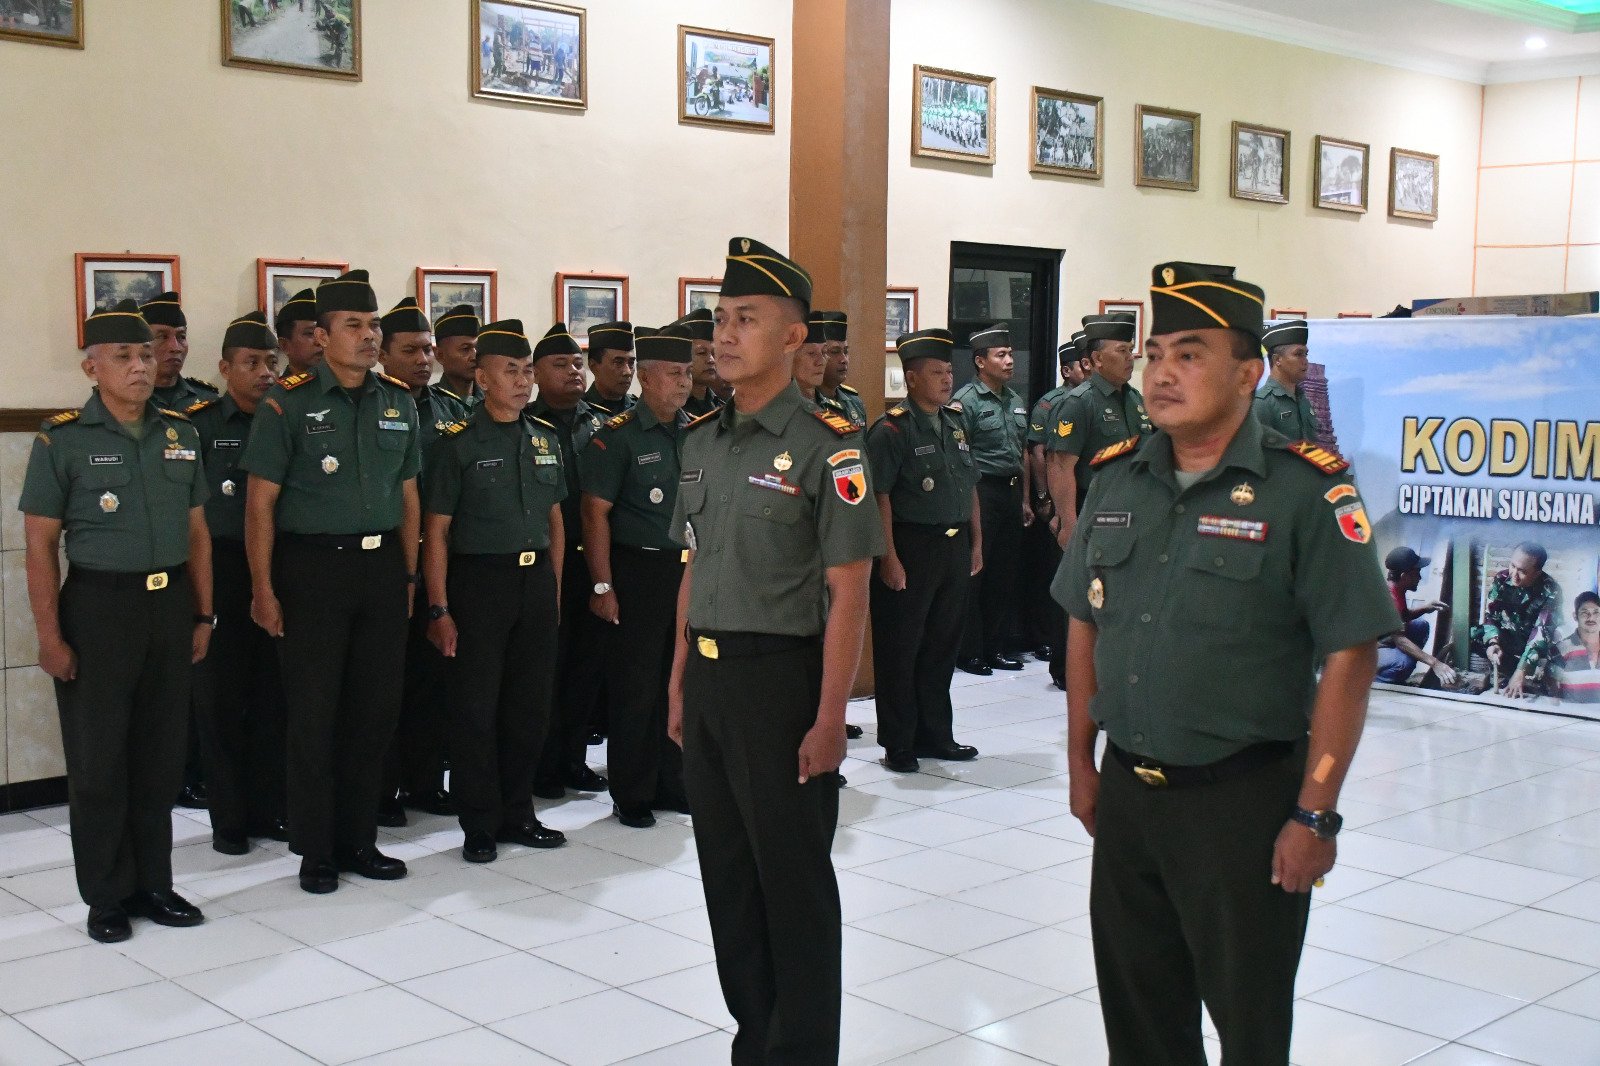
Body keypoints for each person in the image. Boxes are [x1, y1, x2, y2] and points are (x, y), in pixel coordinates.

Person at [1054, 261, 1399, 1066]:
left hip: (1242, 803)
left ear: (1248, 374)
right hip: (1130, 801)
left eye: (1191, 354)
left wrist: (1316, 812)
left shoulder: (1305, 493)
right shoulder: (1116, 480)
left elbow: (1352, 651)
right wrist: (1078, 760)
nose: (1163, 372)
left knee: (1248, 1030)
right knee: (1140, 1025)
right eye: (1156, 353)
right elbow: (1082, 622)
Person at [667, 237, 884, 1064]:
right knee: (728, 882)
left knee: (792, 889)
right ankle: (755, 1041)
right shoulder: (703, 441)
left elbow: (849, 592)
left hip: (782, 684)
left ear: (793, 338)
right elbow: (695, 567)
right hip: (713, 682)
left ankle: (803, 1053)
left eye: (745, 319)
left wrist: (832, 717)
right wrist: (680, 682)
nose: (724, 336)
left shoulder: (833, 445)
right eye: (719, 319)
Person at [20, 300, 213, 943]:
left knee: (160, 756)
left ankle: (155, 883)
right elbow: (41, 545)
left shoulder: (181, 432)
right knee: (100, 760)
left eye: (146, 355)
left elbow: (198, 534)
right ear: (92, 366)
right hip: (100, 608)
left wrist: (204, 613)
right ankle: (106, 896)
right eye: (124, 357)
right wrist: (49, 636)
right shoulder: (63, 439)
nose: (139, 367)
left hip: (169, 605)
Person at [240, 269, 419, 895]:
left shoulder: (398, 401)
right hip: (311, 569)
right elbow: (259, 504)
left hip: (379, 570)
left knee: (373, 713)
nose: (369, 337)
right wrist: (263, 589)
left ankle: (359, 840)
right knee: (315, 714)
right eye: (355, 326)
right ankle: (317, 851)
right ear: (321, 336)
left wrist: (408, 573)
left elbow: (408, 494)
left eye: (374, 326)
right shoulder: (287, 403)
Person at [424, 319, 567, 862]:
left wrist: (554, 591)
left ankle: (519, 812)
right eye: (512, 371)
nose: (523, 381)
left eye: (528, 370)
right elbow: (436, 530)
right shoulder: (456, 445)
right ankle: (479, 823)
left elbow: (555, 519)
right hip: (479, 583)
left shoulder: (543, 438)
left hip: (534, 582)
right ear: (482, 379)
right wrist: (439, 607)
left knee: (528, 707)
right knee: (477, 709)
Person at [580, 325, 695, 828]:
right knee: (637, 686)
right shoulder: (617, 437)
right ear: (645, 378)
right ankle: (632, 791)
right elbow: (593, 514)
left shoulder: (699, 430)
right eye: (674, 374)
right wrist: (603, 585)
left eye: (689, 373)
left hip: (688, 571)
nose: (684, 383)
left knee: (682, 679)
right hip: (638, 569)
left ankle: (675, 781)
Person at [187, 312, 289, 855]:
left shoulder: (287, 416)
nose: (264, 372)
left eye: (272, 361)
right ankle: (229, 817)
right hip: (220, 567)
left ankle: (270, 809)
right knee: (221, 697)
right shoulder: (198, 424)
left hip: (276, 566)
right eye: (251, 362)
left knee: (275, 695)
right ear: (226, 367)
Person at [867, 328, 983, 774]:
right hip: (911, 547)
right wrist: (888, 557)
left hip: (953, 547)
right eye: (937, 372)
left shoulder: (955, 422)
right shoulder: (891, 430)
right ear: (911, 379)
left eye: (949, 371)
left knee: (941, 647)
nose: (946, 379)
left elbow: (969, 485)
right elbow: (880, 497)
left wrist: (977, 542)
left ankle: (936, 735)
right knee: (901, 648)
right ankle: (899, 743)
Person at [375, 298, 465, 824]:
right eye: (409, 350)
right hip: (387, 561)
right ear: (383, 353)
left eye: (428, 349)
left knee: (435, 680)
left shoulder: (452, 412)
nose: (423, 359)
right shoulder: (375, 406)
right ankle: (384, 789)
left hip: (443, 561)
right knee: (385, 683)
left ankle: (427, 782)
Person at [528, 323, 611, 800]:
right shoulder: (526, 421)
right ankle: (540, 764)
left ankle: (574, 760)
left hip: (593, 563)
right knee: (545, 670)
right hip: (544, 561)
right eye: (560, 364)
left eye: (577, 363)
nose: (573, 371)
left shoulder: (601, 423)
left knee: (586, 668)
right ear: (536, 374)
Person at [953, 323, 1031, 675]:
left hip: (1011, 491)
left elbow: (1023, 453)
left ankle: (996, 647)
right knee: (977, 572)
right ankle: (970, 652)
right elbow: (960, 457)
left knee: (1004, 573)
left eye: (1011, 354)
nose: (1010, 360)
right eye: (1001, 355)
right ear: (981, 362)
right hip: (981, 492)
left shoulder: (1015, 400)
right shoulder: (966, 402)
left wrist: (1027, 498)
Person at [1045, 312, 1152, 550]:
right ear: (1097, 358)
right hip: (1094, 510)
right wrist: (1069, 523)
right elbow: (1061, 467)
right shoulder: (1079, 402)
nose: (1130, 358)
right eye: (1122, 350)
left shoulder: (1135, 400)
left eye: (1130, 350)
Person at [1026, 331, 1087, 689]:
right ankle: (1060, 658)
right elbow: (1044, 454)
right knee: (1065, 582)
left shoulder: (1123, 401)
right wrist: (1047, 501)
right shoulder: (1058, 404)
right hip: (1068, 502)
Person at [1471, 542, 1562, 698]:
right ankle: (1509, 672)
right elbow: (1491, 617)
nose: (1514, 574)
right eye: (1513, 566)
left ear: (1537, 573)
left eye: (1522, 571)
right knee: (1473, 634)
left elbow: (1542, 632)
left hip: (1533, 642)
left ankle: (1532, 678)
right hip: (1509, 637)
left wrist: (1522, 670)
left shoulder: (1551, 590)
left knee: (1557, 651)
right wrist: (1493, 642)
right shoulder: (1501, 579)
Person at [1375, 546, 1457, 687]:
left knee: (1421, 625)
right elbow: (1400, 641)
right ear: (1403, 576)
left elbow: (1403, 616)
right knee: (1404, 663)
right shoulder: (1391, 598)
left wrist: (1426, 608)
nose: (1420, 577)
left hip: (1383, 640)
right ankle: (1378, 683)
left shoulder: (1396, 589)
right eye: (1416, 573)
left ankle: (1395, 671)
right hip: (1365, 652)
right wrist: (1435, 663)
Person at [142, 292, 220, 411]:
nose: (175, 347)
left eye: (181, 337)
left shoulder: (207, 399)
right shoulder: (126, 400)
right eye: (162, 337)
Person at [1253, 319, 1322, 441]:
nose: (1305, 361)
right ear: (1277, 360)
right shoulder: (1262, 404)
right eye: (1298, 354)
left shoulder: (1303, 399)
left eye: (1306, 354)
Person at [815, 312, 866, 426]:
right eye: (835, 352)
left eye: (846, 352)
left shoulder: (854, 402)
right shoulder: (807, 403)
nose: (844, 359)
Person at [433, 303, 482, 409]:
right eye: (465, 349)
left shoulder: (495, 400)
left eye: (478, 348)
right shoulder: (427, 403)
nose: (475, 356)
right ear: (440, 355)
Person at [583, 321, 637, 417]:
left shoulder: (640, 410)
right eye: (618, 362)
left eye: (631, 363)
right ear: (593, 366)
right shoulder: (579, 411)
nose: (628, 372)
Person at [677, 308, 722, 418]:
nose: (711, 360)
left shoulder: (722, 407)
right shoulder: (673, 408)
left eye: (713, 353)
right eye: (702, 353)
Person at [1556, 592, 1600, 704]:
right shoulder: (1562, 649)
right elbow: (1552, 692)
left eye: (1596, 613)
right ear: (1575, 616)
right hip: (1573, 717)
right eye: (1585, 613)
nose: (1591, 618)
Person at [275, 288, 325, 377]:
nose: (320, 341)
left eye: (323, 333)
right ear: (284, 345)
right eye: (310, 333)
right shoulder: (278, 391)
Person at [793, 311, 831, 404]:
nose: (821, 361)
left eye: (824, 352)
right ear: (789, 357)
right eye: (812, 353)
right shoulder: (771, 412)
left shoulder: (833, 410)